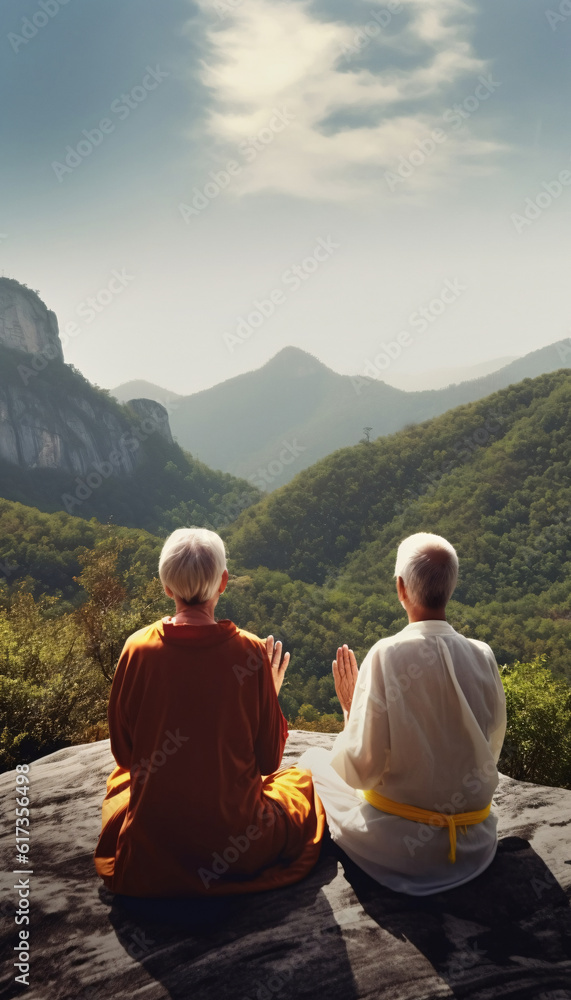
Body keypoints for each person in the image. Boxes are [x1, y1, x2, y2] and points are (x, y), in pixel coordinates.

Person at [94, 528, 325, 897]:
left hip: (153, 850)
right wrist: (269, 694)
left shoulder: (137, 649)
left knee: (119, 787)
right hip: (238, 848)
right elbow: (268, 763)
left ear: (166, 587)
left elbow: (124, 756)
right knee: (301, 784)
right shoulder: (249, 653)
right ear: (224, 582)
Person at [298, 532, 507, 895]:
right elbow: (489, 750)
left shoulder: (387, 654)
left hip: (407, 852)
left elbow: (361, 771)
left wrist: (351, 713)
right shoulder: (483, 654)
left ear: (401, 588)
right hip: (475, 844)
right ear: (451, 587)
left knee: (313, 761)